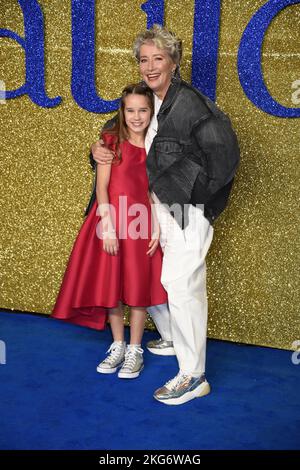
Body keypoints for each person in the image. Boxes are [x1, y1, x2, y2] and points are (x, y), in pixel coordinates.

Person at [89, 25, 240, 404]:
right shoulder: (147, 99)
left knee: (182, 285)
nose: (150, 66)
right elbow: (115, 136)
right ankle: (173, 339)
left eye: (158, 58)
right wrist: (95, 151)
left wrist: (194, 204)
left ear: (174, 61)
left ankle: (193, 375)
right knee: (159, 275)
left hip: (184, 210)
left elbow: (223, 160)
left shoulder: (192, 105)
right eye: (144, 59)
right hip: (153, 209)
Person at [51, 83, 168, 379]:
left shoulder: (155, 144)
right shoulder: (111, 141)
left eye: (143, 110)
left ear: (151, 112)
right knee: (111, 285)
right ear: (122, 111)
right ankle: (117, 344)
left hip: (140, 222)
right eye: (130, 110)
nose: (137, 116)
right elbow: (102, 187)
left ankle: (135, 349)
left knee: (139, 288)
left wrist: (156, 225)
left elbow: (155, 191)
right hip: (112, 220)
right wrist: (106, 225)